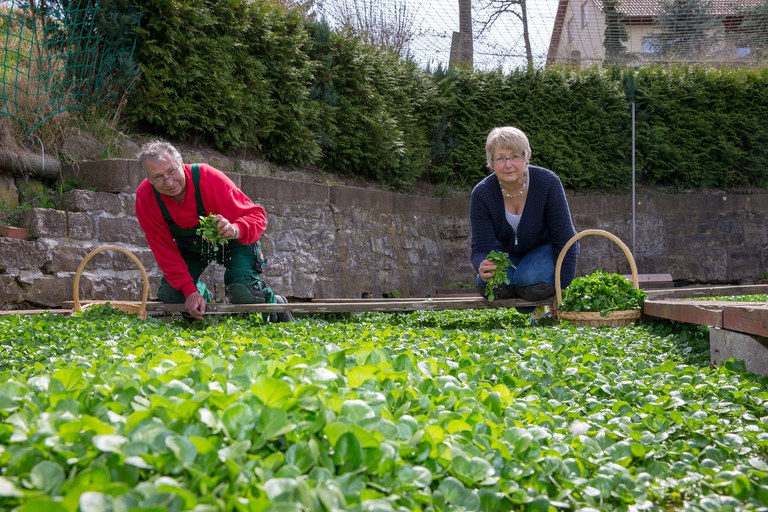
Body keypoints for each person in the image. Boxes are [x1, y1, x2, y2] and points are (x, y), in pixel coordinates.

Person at [135, 140, 292, 322]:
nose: (169, 182)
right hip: (191, 246)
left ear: (181, 163)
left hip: (234, 240)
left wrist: (235, 229)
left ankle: (276, 304)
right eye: (158, 177)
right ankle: (205, 308)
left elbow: (257, 216)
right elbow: (164, 251)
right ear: (148, 178)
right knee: (173, 294)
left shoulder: (207, 178)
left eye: (172, 171)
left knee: (243, 292)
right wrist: (191, 292)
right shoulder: (146, 197)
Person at [470, 126, 579, 309]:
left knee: (528, 279)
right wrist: (482, 265)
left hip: (544, 250)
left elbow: (566, 241)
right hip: (507, 255)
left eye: (515, 156)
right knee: (486, 283)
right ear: (491, 161)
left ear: (526, 157)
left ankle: (527, 286)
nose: (508, 164)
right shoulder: (482, 194)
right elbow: (481, 247)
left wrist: (563, 290)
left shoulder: (547, 183)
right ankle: (522, 287)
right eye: (501, 158)